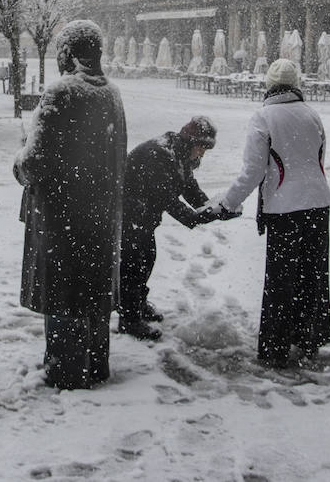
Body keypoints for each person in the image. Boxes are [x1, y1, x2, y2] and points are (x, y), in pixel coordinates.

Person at [14, 20, 127, 390]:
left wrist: (19, 158)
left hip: (63, 218)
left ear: (69, 53)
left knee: (63, 294)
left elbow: (33, 162)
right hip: (100, 216)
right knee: (91, 292)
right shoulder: (112, 94)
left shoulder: (61, 93)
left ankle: (65, 369)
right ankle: (95, 364)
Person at [209, 58, 330, 369]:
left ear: (268, 85)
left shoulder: (264, 117)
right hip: (318, 205)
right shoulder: (312, 114)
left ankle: (275, 347)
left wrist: (229, 202)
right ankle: (307, 339)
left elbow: (252, 170)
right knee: (312, 276)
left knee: (281, 280)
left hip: (285, 209)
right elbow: (318, 158)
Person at [117, 116, 236, 340]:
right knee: (133, 266)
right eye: (202, 147)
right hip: (129, 215)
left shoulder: (179, 154)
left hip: (142, 217)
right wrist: (198, 217)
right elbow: (167, 199)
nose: (202, 153)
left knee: (146, 260)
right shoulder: (161, 155)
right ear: (192, 141)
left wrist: (213, 207)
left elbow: (190, 188)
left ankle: (138, 305)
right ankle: (129, 319)